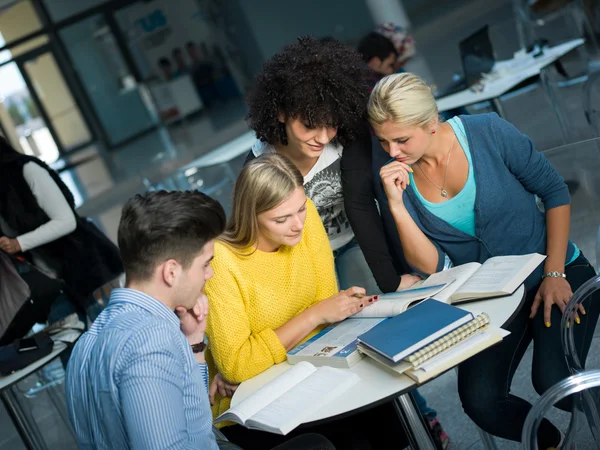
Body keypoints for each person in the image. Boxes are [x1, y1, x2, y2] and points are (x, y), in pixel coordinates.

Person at [368, 72, 600, 450]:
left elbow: (554, 191)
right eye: (383, 141)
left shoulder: (487, 132)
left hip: (556, 272)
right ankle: (549, 442)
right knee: (481, 401)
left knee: (554, 377)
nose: (392, 151)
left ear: (430, 124)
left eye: (401, 139)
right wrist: (395, 205)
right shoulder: (398, 178)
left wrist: (555, 272)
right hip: (490, 301)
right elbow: (434, 265)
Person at [65, 190, 335, 450]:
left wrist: (194, 347)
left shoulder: (86, 343)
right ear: (171, 272)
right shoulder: (153, 342)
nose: (209, 275)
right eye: (205, 264)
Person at [205, 154, 410, 450]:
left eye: (299, 209)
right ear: (250, 215)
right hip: (255, 400)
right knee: (353, 440)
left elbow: (328, 313)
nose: (297, 225)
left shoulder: (308, 216)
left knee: (391, 420)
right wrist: (313, 316)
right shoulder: (222, 260)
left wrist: (323, 315)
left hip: (310, 368)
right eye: (281, 218)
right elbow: (238, 366)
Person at [244, 36, 417, 295]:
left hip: (355, 242)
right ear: (280, 113)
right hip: (300, 257)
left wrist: (390, 282)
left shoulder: (347, 135)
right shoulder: (259, 165)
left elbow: (360, 204)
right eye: (310, 126)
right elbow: (260, 239)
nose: (324, 138)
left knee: (375, 302)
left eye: (331, 124)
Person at [0, 138, 123, 336]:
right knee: (71, 355)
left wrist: (19, 243)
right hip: (51, 285)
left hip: (87, 269)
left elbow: (66, 221)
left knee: (116, 338)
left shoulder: (27, 169)